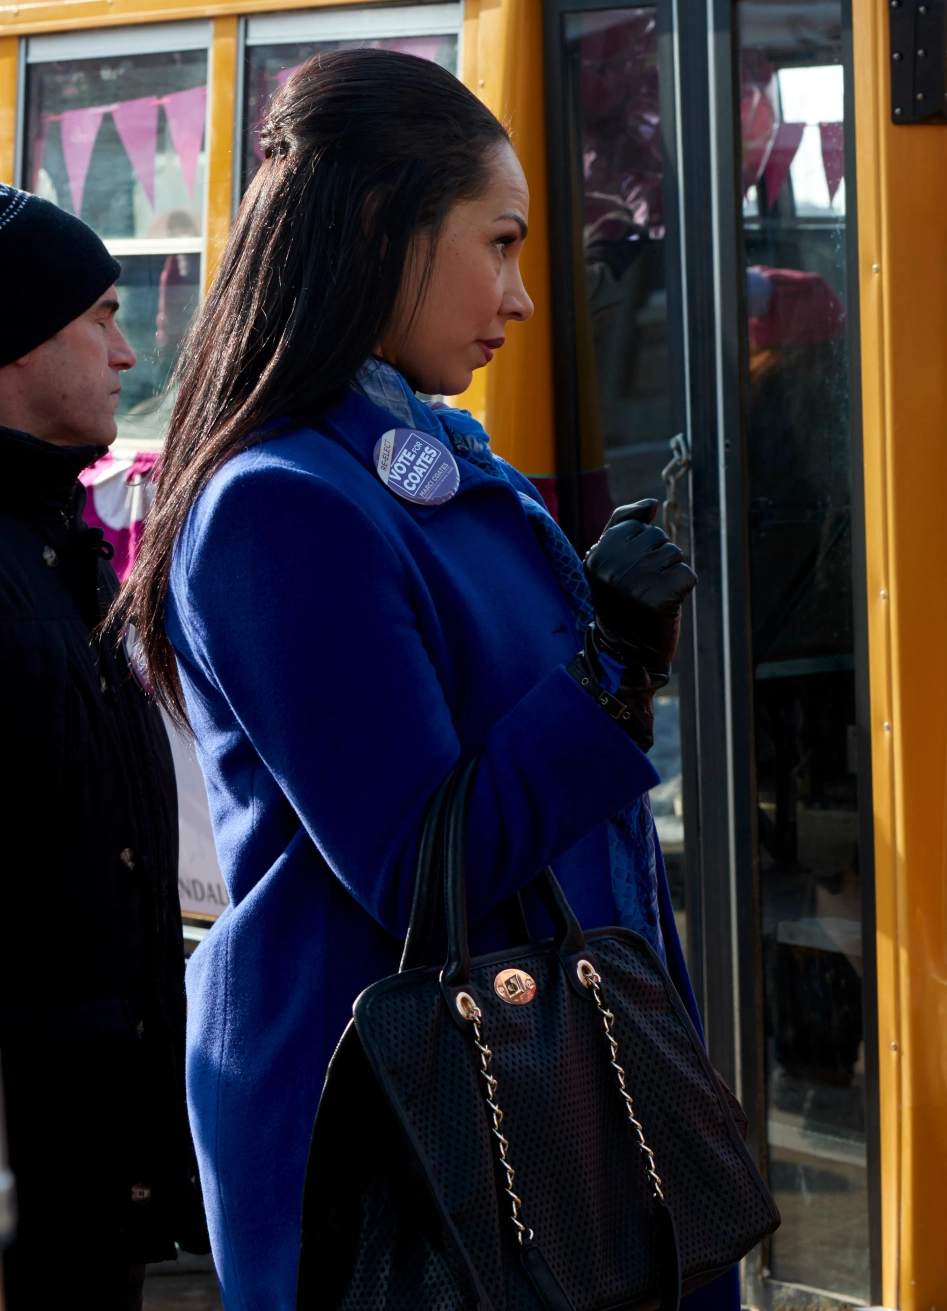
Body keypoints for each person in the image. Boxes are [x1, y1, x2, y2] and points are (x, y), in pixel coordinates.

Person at [112, 50, 712, 1309]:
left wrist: (612, 660)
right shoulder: (283, 503)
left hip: (519, 1108)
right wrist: (609, 669)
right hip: (409, 1151)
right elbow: (418, 862)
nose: (523, 295)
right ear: (384, 227)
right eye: (498, 244)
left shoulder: (406, 452)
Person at [0, 186, 204, 1308]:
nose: (130, 355)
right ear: (17, 336)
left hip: (86, 1167)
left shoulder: (53, 543)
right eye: (104, 316)